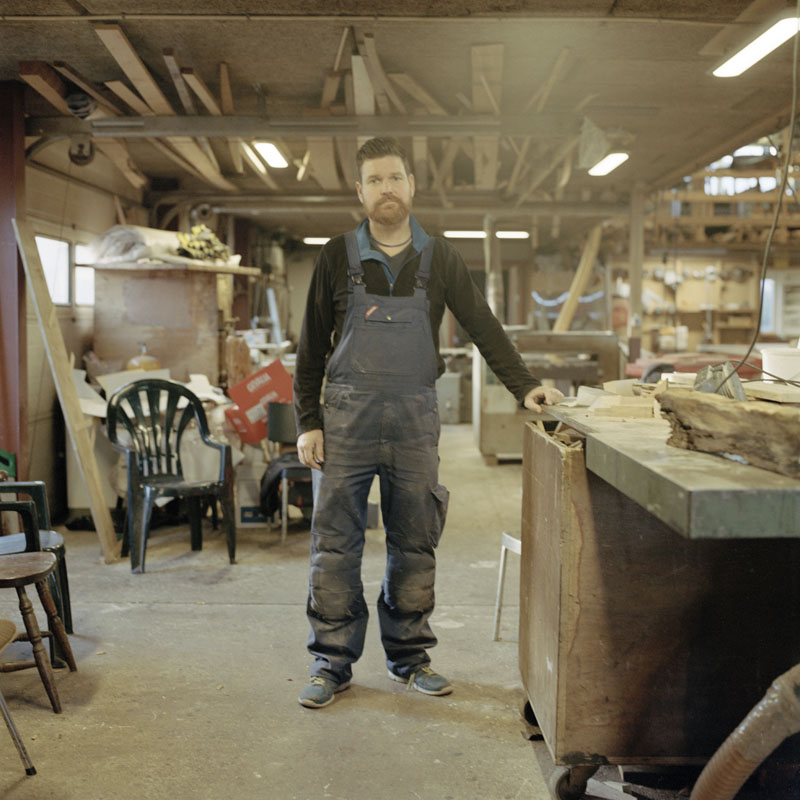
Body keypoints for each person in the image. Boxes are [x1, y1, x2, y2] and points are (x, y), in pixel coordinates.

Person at [293, 137, 563, 709]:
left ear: (411, 186)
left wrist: (525, 385)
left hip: (414, 420)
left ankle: (410, 658)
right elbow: (311, 345)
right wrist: (308, 421)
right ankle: (331, 663)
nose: (386, 189)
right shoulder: (336, 255)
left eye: (395, 178)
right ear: (360, 191)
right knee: (335, 544)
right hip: (345, 421)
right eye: (375, 180)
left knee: (414, 541)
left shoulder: (440, 258)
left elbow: (483, 326)